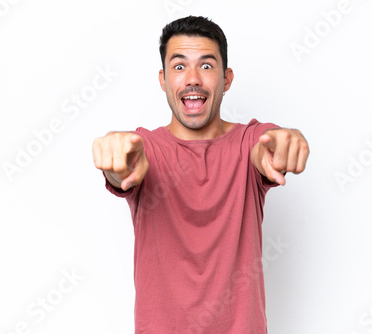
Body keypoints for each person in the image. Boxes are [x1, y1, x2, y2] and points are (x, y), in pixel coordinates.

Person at [92, 16, 309, 334]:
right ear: (163, 79)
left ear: (227, 78)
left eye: (206, 66)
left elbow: (268, 145)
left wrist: (284, 142)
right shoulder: (144, 149)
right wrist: (116, 164)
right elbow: (124, 168)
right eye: (179, 67)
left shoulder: (249, 142)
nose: (192, 78)